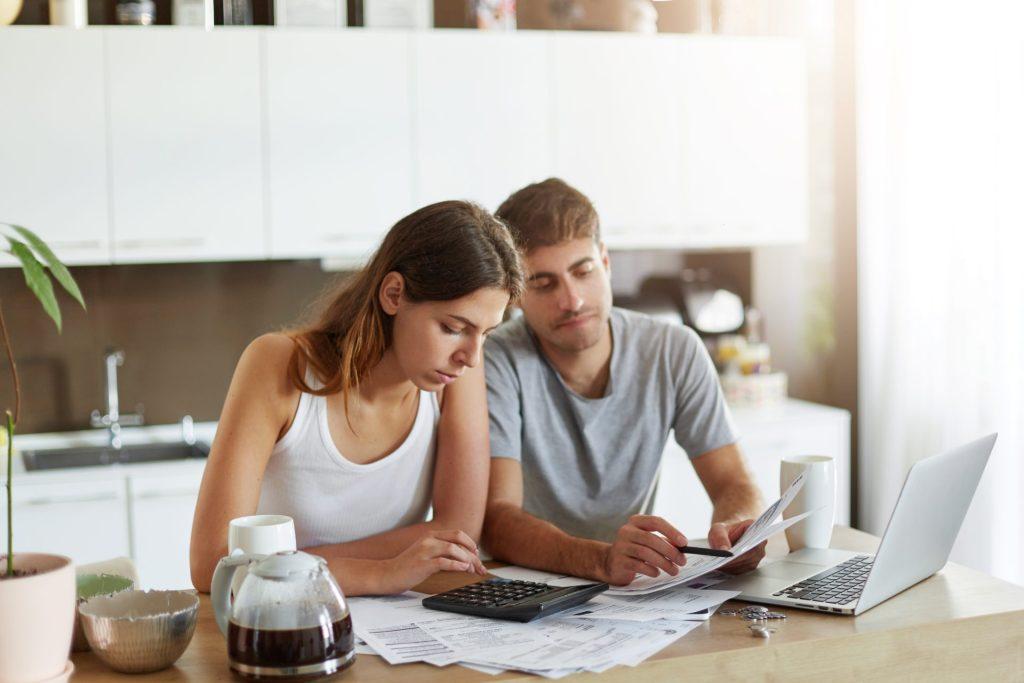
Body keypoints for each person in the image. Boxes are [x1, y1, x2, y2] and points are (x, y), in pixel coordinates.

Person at [190, 201, 524, 596]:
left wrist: (285, 563)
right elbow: (214, 562)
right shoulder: (278, 364)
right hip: (282, 623)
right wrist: (382, 573)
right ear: (394, 294)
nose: (471, 356)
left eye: (486, 334)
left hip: (392, 628)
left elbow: (458, 536)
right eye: (453, 327)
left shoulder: (456, 373)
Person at [482, 179, 766, 586]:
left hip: (627, 589)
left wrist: (740, 530)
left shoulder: (674, 349)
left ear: (606, 262)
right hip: (527, 585)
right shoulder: (495, 361)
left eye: (583, 271)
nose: (572, 300)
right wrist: (600, 560)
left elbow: (734, 482)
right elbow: (497, 519)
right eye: (544, 284)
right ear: (515, 294)